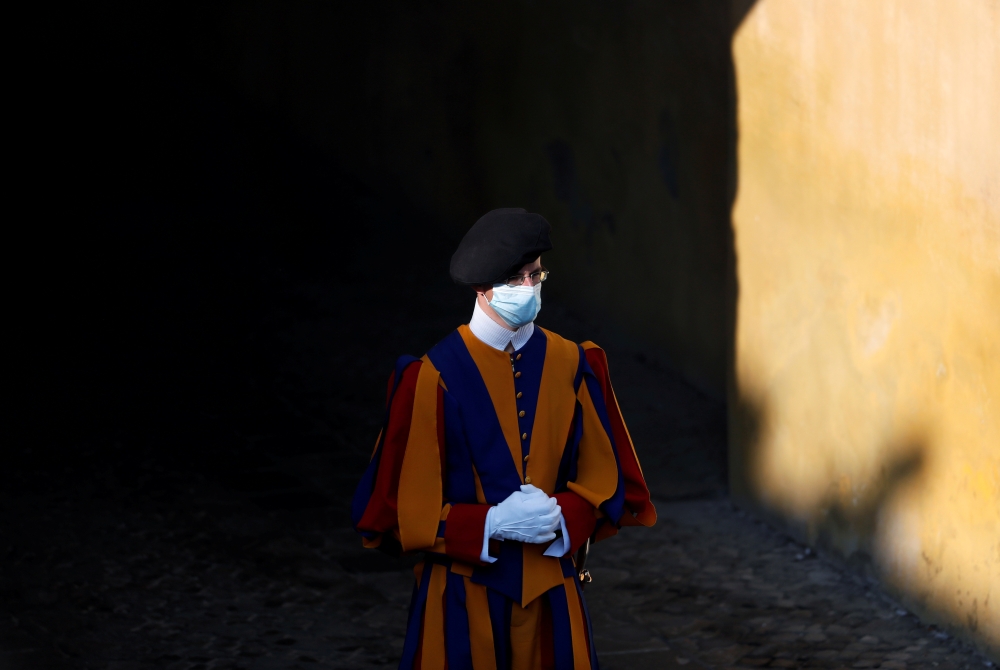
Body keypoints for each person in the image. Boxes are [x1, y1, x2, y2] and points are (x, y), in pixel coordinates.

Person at [351, 208, 656, 670]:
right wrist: (490, 525)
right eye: (517, 279)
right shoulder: (431, 377)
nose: (530, 288)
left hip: (552, 589)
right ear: (482, 288)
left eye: (536, 274)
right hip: (461, 594)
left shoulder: (572, 362)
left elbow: (605, 476)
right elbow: (398, 507)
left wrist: (565, 514)